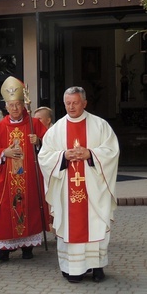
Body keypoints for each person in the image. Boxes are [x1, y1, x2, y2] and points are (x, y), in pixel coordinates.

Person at [38, 86, 120, 283]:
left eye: (75, 103)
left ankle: (97, 267)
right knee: (69, 225)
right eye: (68, 103)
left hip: (93, 189)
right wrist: (63, 156)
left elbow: (112, 151)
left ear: (84, 103)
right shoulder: (56, 129)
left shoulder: (100, 125)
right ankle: (72, 268)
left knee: (95, 223)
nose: (71, 107)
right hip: (66, 188)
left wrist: (91, 154)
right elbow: (44, 157)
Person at [0, 76, 50, 262]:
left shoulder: (34, 124)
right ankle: (3, 250)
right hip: (5, 179)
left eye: (18, 104)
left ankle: (27, 247)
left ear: (23, 105)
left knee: (29, 207)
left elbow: (50, 146)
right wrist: (4, 152)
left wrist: (39, 142)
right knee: (4, 210)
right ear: (5, 107)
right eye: (11, 105)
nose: (15, 108)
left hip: (29, 178)